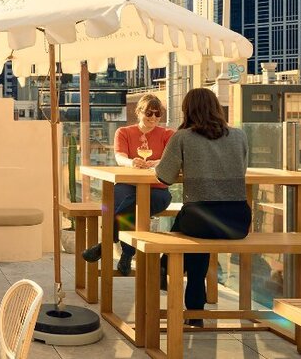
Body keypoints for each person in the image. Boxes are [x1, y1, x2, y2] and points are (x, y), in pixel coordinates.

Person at [155, 88, 251, 326]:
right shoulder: (239, 136)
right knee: (196, 231)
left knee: (191, 224)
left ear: (188, 110)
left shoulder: (183, 137)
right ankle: (193, 304)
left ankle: (166, 267)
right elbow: (242, 170)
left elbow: (164, 177)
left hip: (200, 218)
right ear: (217, 108)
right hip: (238, 220)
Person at [82, 94, 174, 276]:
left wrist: (155, 163)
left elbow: (170, 159)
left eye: (158, 114)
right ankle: (127, 254)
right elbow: (119, 157)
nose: (154, 118)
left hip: (158, 189)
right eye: (149, 113)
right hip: (128, 185)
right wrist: (131, 162)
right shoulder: (124, 132)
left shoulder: (168, 134)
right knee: (125, 199)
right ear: (139, 111)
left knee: (131, 205)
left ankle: (105, 244)